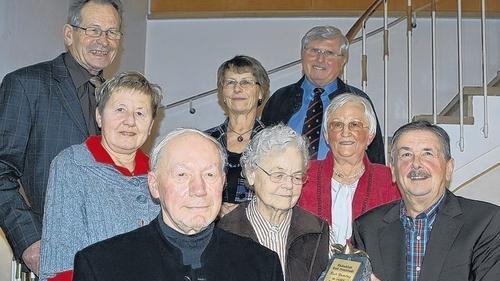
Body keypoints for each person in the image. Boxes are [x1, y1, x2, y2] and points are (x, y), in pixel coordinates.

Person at [0, 0, 123, 275]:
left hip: (111, 253)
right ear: (69, 34)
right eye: (93, 30)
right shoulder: (26, 85)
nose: (103, 40)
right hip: (53, 253)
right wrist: (30, 240)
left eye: (112, 32)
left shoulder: (117, 98)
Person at [72, 128, 284, 281]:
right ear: (154, 185)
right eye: (182, 175)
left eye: (209, 174)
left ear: (222, 182)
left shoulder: (262, 265)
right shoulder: (101, 267)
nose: (198, 189)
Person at [38, 71, 162, 281]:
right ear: (99, 116)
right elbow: (60, 263)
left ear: (150, 126)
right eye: (120, 109)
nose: (129, 121)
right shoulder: (73, 164)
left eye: (140, 113)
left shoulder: (160, 174)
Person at [352, 121, 500, 281]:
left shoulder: (488, 222)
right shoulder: (366, 228)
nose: (415, 163)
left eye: (427, 153)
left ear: (449, 168)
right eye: (406, 155)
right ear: (393, 171)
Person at [218, 124, 329, 281]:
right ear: (251, 174)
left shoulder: (317, 230)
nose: (289, 185)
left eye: (297, 177)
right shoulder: (225, 232)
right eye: (278, 175)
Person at [261, 25, 385, 164]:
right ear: (302, 54)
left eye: (329, 53)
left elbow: (375, 160)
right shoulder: (279, 99)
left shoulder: (358, 102)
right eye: (314, 51)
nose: (320, 59)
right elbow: (262, 154)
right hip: (286, 183)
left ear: (343, 60)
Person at [298, 93, 400, 247]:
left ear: (370, 136)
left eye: (355, 124)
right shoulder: (304, 175)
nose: (345, 132)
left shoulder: (390, 180)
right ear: (326, 135)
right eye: (337, 125)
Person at [206, 55, 270, 216]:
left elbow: (283, 191)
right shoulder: (204, 141)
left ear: (261, 92)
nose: (237, 88)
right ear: (222, 94)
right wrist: (216, 208)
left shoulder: (275, 143)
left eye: (246, 82)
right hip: (209, 232)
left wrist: (245, 212)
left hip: (257, 233)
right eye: (230, 82)